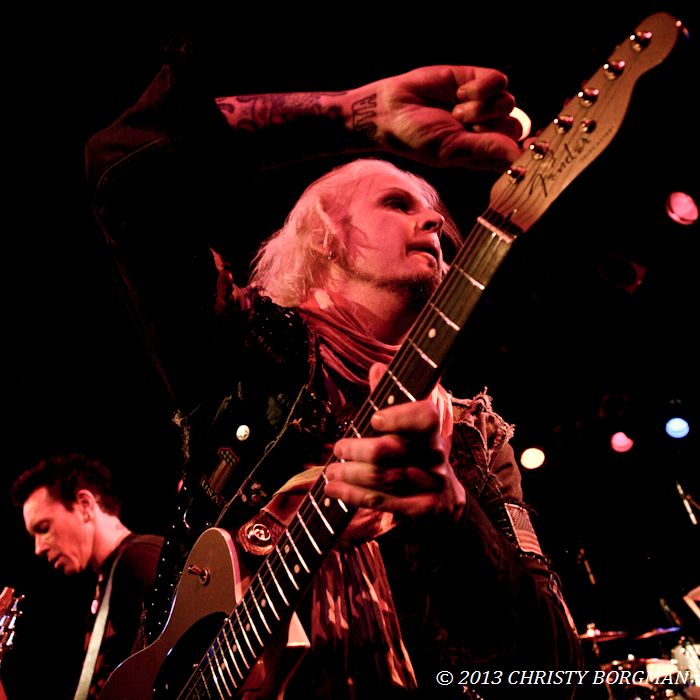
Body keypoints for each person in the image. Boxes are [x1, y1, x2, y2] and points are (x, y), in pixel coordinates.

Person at [84, 36, 583, 698]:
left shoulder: (471, 436)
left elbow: (554, 670)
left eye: (437, 217)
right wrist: (352, 115)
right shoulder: (247, 348)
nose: (434, 223)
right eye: (398, 203)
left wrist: (452, 518)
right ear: (324, 236)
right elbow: (124, 169)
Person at [10, 453, 164, 699]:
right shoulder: (112, 577)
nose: (38, 548)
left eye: (44, 528)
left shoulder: (139, 560)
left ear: (84, 505)